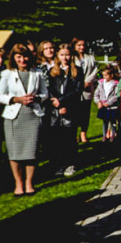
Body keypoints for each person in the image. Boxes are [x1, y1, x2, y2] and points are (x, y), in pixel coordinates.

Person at [0, 44, 48, 195]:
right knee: (14, 152)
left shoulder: (37, 73)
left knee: (31, 151)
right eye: (18, 56)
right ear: (13, 58)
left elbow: (45, 93)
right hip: (14, 116)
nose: (22, 59)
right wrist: (16, 99)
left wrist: (36, 98)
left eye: (25, 56)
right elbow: (0, 96)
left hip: (32, 115)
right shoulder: (7, 74)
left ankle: (29, 183)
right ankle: (18, 183)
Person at [46, 43, 83, 175]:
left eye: (67, 54)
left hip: (70, 108)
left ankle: (70, 163)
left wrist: (63, 102)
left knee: (69, 138)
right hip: (55, 110)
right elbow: (49, 89)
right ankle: (58, 164)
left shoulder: (77, 70)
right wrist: (56, 103)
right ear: (57, 56)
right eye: (62, 55)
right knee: (56, 138)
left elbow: (77, 90)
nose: (65, 57)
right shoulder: (52, 71)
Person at [71, 38, 98, 144]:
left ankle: (83, 133)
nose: (81, 47)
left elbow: (95, 70)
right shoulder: (72, 58)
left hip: (87, 87)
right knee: (75, 112)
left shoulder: (90, 58)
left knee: (85, 112)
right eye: (79, 45)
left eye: (83, 45)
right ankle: (75, 134)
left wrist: (88, 81)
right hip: (75, 89)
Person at [94, 65, 121, 143]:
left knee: (112, 122)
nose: (104, 77)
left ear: (111, 75)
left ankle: (113, 135)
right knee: (105, 121)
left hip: (112, 107)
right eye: (103, 75)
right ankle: (104, 135)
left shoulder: (115, 84)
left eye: (106, 75)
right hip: (103, 106)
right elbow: (96, 95)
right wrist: (98, 102)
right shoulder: (101, 84)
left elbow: (116, 96)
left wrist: (108, 103)